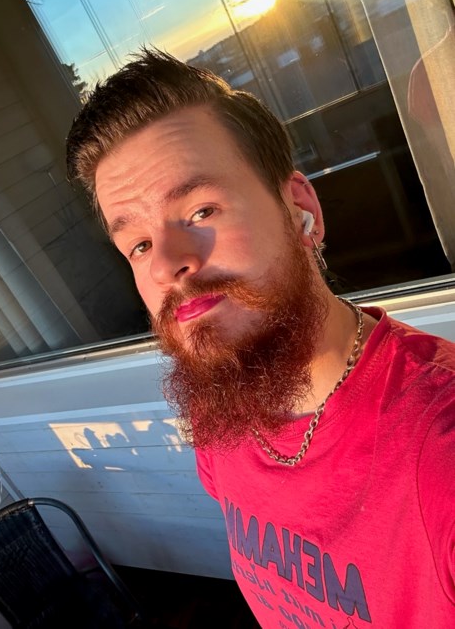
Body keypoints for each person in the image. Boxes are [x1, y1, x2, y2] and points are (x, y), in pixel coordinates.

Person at [66, 49, 455, 628]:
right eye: (139, 245)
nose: (166, 264)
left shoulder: (438, 450)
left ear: (299, 208)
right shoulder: (220, 402)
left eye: (201, 211)